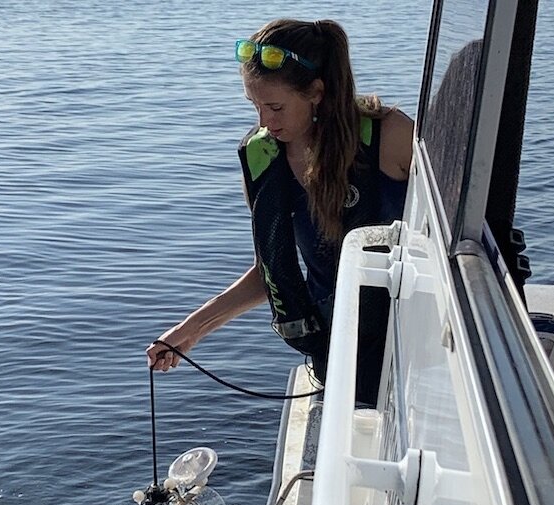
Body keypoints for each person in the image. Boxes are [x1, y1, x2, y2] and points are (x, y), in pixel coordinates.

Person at [146, 18, 413, 405]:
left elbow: (451, 216)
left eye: (274, 107)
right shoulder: (262, 157)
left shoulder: (389, 136)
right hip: (335, 351)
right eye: (254, 106)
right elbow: (265, 274)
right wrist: (188, 333)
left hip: (407, 343)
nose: (264, 122)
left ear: (316, 92)